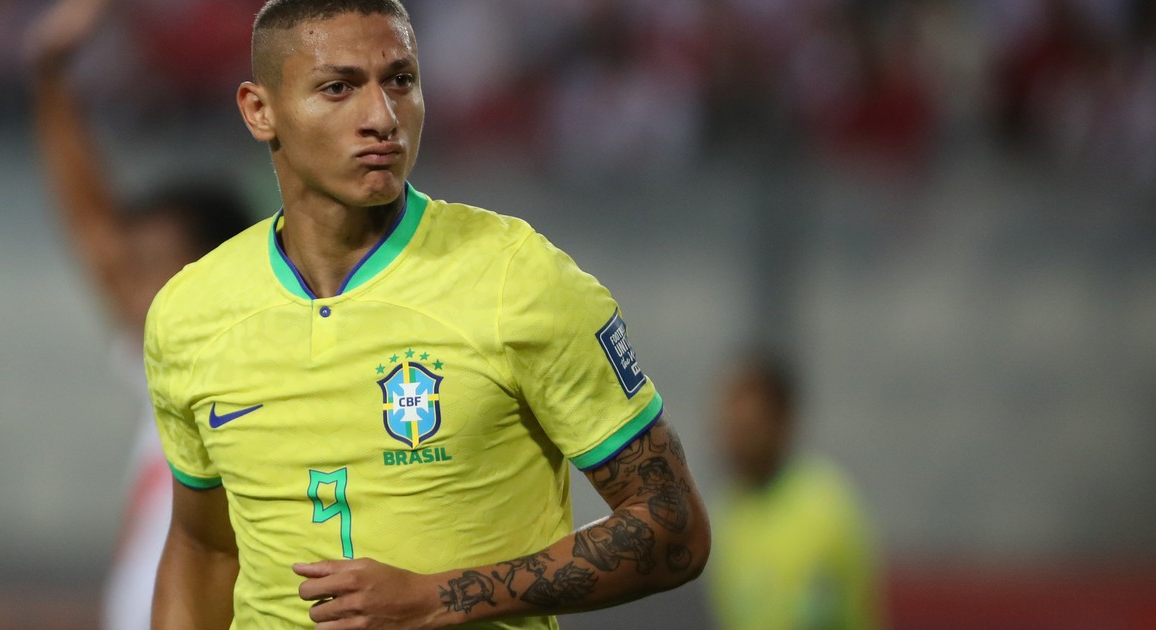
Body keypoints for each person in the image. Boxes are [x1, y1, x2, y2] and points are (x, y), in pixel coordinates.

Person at [144, 0, 711, 628]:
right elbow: (204, 548)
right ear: (260, 110)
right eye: (338, 88)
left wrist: (439, 597)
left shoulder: (517, 278)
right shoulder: (190, 312)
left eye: (400, 81)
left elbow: (674, 528)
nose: (382, 117)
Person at [27, 0, 253, 627]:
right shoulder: (172, 370)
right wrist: (50, 76)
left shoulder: (249, 374)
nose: (125, 284)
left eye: (150, 265)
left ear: (215, 273)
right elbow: (96, 230)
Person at [709, 354, 881, 630]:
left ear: (783, 422)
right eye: (730, 426)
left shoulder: (828, 509)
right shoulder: (726, 516)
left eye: (749, 427)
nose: (734, 441)